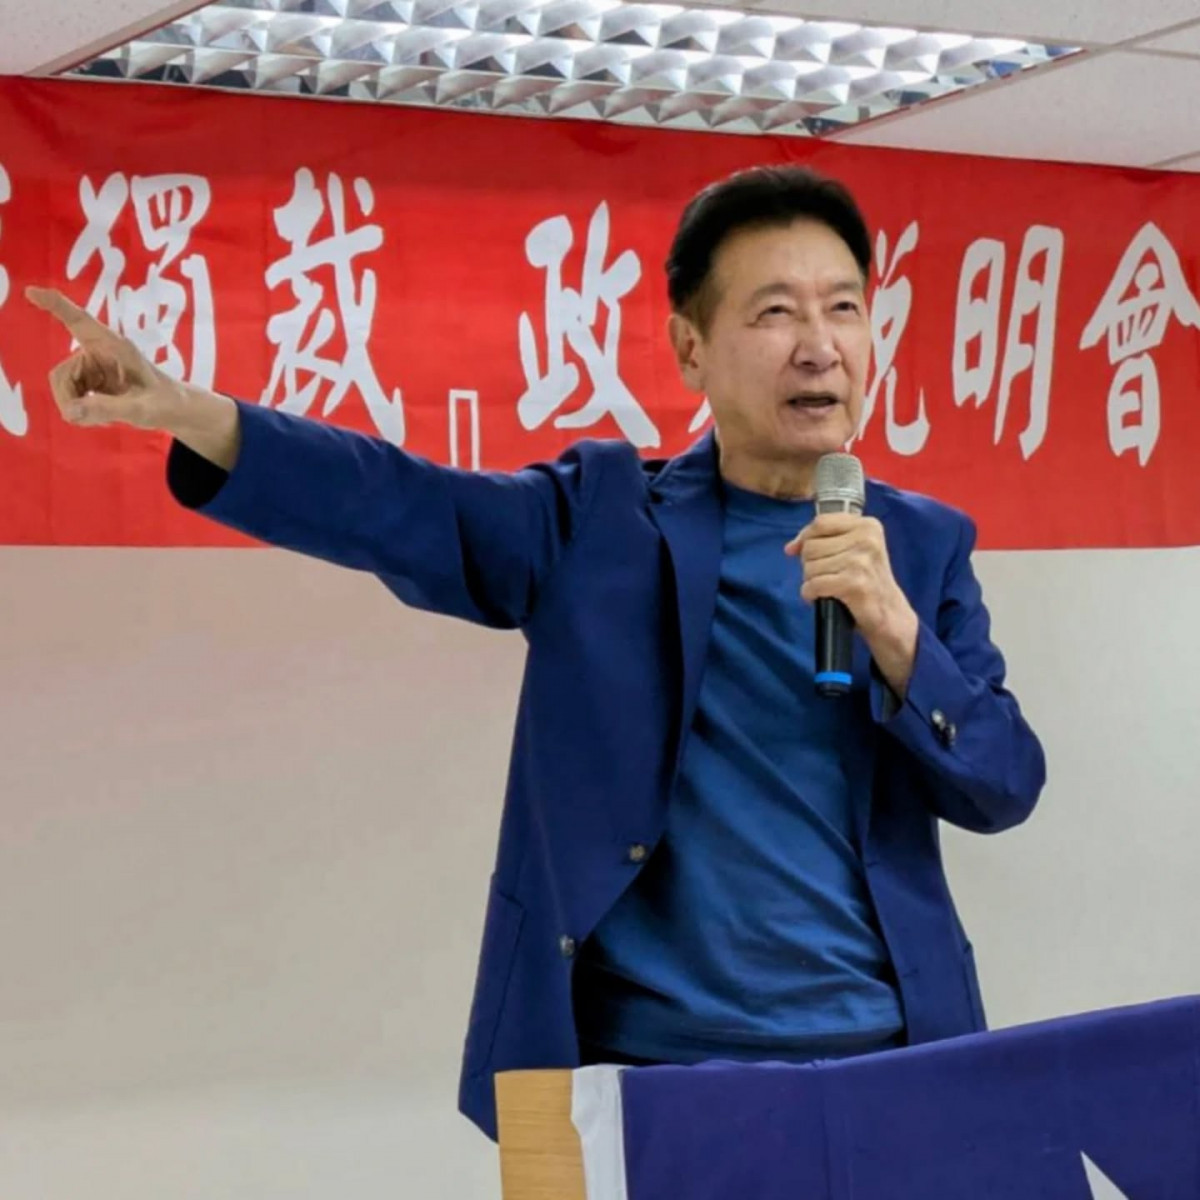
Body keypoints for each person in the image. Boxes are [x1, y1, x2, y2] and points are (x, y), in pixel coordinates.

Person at [26, 165, 1046, 1142]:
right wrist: (189, 412)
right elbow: (400, 502)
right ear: (691, 350)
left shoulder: (921, 547)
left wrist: (898, 634)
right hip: (651, 1077)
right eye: (776, 312)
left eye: (845, 308)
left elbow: (1004, 782)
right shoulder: (600, 521)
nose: (820, 346)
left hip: (889, 1063)